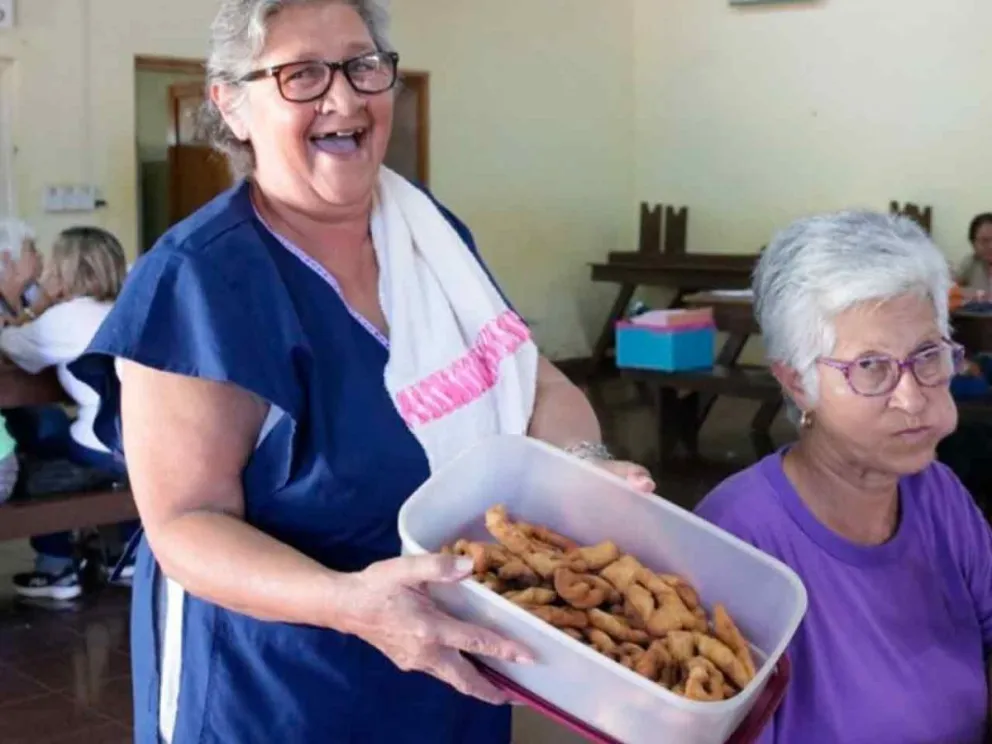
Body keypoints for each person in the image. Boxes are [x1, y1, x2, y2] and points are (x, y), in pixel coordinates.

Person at [70, 1, 654, 742]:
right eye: (301, 75)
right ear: (232, 106)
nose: (342, 99)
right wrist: (348, 602)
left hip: (454, 662)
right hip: (280, 688)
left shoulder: (429, 237)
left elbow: (532, 383)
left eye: (361, 65)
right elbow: (185, 526)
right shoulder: (198, 283)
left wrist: (587, 470)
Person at [695, 211, 992, 743]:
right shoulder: (734, 539)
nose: (912, 397)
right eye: (871, 367)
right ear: (798, 384)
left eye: (927, 354)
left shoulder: (937, 493)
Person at [0, 226, 134, 599]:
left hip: (111, 440)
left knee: (45, 444)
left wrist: (24, 299)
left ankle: (55, 565)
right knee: (72, 432)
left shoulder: (66, 319)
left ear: (62, 272)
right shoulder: (129, 306)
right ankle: (128, 550)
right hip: (152, 439)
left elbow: (9, 344)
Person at [956, 212, 992, 300]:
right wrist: (974, 293)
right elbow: (949, 290)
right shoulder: (970, 263)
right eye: (984, 241)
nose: (991, 246)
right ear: (973, 243)